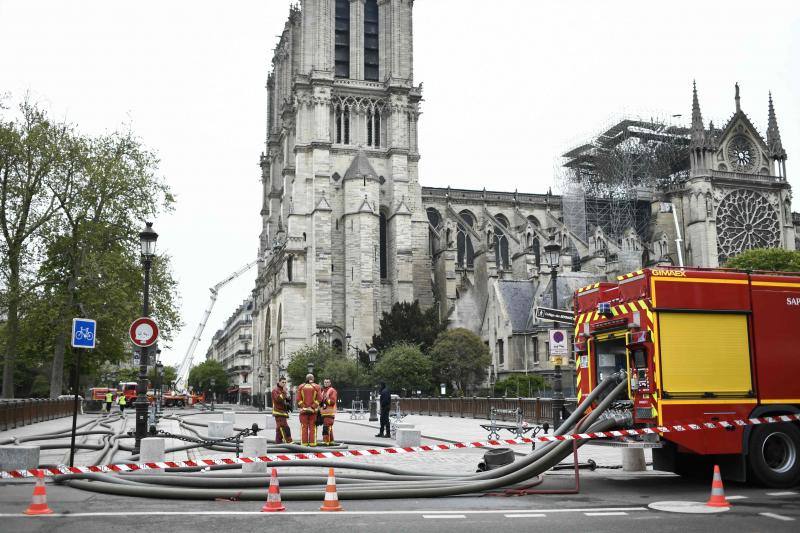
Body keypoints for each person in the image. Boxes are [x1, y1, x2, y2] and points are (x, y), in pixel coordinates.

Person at [296, 373, 321, 446]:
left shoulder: (301, 387)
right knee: (312, 428)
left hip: (303, 411)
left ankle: (304, 444)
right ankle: (312, 443)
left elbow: (298, 399)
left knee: (304, 427)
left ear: (306, 379)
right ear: (313, 379)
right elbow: (319, 398)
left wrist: (304, 407)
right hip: (313, 412)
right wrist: (312, 407)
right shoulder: (317, 387)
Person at [271, 376, 293, 444]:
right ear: (279, 382)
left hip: (283, 412)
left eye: (285, 382)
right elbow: (278, 399)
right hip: (278, 412)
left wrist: (288, 399)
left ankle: (278, 442)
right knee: (284, 427)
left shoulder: (283, 390)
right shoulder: (275, 390)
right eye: (282, 382)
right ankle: (289, 441)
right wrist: (284, 392)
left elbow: (286, 399)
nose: (284, 383)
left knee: (279, 428)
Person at [320, 378, 338, 445]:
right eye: (325, 382)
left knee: (326, 427)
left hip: (329, 413)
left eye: (327, 382)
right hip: (324, 413)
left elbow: (332, 402)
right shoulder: (323, 391)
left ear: (330, 383)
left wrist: (325, 400)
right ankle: (331, 441)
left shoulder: (332, 390)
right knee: (328, 427)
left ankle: (326, 441)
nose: (326, 383)